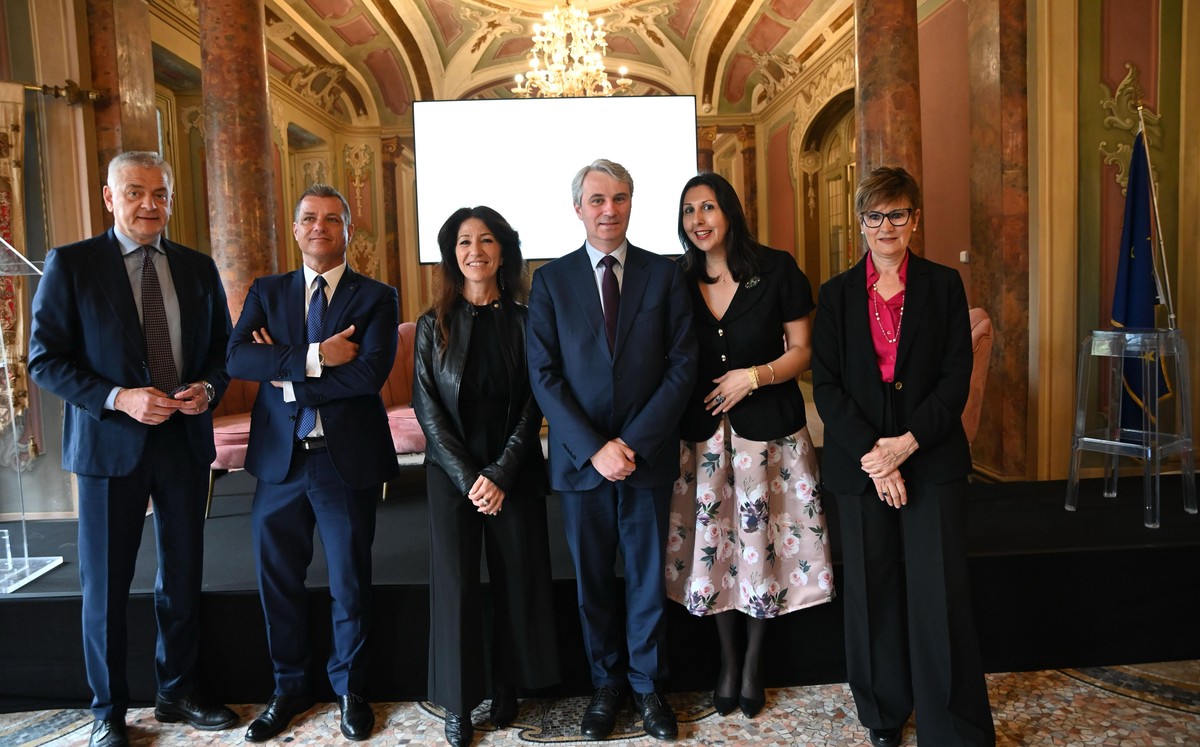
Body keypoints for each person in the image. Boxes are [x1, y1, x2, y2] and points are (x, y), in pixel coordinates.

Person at [27, 151, 236, 747]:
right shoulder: (71, 264)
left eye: (160, 194)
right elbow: (44, 360)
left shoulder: (197, 267)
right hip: (108, 447)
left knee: (183, 577)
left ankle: (178, 693)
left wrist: (208, 389)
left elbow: (221, 352)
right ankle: (108, 712)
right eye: (136, 192)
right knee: (106, 587)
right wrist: (119, 398)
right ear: (109, 197)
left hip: (182, 444)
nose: (150, 204)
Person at [811, 166, 995, 747]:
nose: (885, 226)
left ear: (914, 219)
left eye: (897, 214)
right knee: (872, 591)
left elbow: (955, 378)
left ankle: (951, 726)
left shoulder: (943, 286)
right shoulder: (836, 295)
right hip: (861, 466)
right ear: (860, 222)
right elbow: (827, 387)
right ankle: (883, 713)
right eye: (874, 215)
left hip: (932, 458)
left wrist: (906, 444)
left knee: (940, 595)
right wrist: (876, 456)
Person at [527, 158, 697, 742]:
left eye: (619, 198)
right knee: (593, 582)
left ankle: (648, 687)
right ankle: (606, 685)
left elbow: (682, 366)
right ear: (578, 207)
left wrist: (631, 443)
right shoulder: (550, 281)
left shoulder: (664, 274)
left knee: (647, 580)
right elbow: (544, 375)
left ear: (631, 203)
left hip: (646, 458)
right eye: (597, 200)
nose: (609, 210)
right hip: (581, 464)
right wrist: (596, 448)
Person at [226, 184, 399, 743]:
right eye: (309, 218)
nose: (319, 227)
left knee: (350, 582)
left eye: (331, 219)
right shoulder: (268, 291)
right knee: (277, 582)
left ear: (348, 230)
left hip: (343, 462)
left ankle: (351, 689)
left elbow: (368, 376)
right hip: (281, 461)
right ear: (296, 228)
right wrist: (316, 356)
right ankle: (289, 688)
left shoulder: (377, 297)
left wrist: (285, 377)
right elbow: (238, 358)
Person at [664, 172, 834, 719]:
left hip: (769, 439)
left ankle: (755, 663)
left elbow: (802, 349)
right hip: (703, 439)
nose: (698, 220)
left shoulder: (776, 268)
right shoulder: (675, 278)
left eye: (708, 207)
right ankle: (728, 661)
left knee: (762, 545)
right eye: (689, 210)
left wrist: (754, 377)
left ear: (730, 212)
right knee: (715, 547)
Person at [413, 206, 561, 747]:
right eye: (463, 242)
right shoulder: (431, 325)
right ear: (452, 254)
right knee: (455, 586)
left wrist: (499, 473)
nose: (475, 251)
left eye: (486, 240)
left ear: (503, 250)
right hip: (451, 472)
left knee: (516, 580)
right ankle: (458, 702)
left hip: (512, 468)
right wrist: (469, 477)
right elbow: (427, 408)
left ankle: (507, 684)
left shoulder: (528, 320)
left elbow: (534, 403)